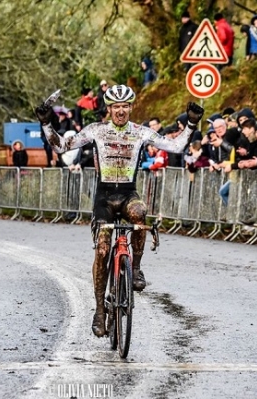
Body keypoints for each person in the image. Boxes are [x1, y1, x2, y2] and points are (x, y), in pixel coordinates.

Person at [35, 84, 204, 337]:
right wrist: (47, 123)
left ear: (131, 108)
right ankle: (100, 311)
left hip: (128, 194)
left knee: (140, 213)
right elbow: (60, 146)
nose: (121, 111)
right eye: (116, 107)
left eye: (125, 106)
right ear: (109, 109)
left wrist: (191, 124)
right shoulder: (96, 131)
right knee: (103, 249)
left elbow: (176, 147)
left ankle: (135, 268)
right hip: (104, 198)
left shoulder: (140, 132)